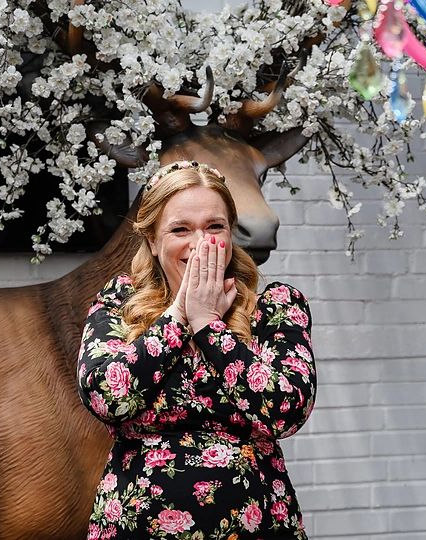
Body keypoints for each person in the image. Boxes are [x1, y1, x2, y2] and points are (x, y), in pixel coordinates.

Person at [77, 160, 316, 539]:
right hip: (138, 524)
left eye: (214, 226)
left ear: (231, 232)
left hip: (258, 523)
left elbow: (286, 412)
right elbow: (105, 396)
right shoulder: (120, 301)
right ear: (153, 241)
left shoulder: (276, 305)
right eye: (180, 229)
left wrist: (209, 325)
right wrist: (178, 317)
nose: (200, 243)